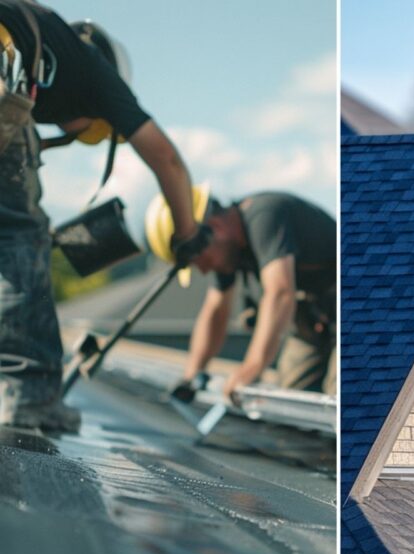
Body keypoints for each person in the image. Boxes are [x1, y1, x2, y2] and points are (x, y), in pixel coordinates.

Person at [0, 1, 200, 432]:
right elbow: (167, 159)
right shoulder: (98, 77)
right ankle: (27, 394)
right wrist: (187, 232)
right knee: (19, 234)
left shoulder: (53, 57)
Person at [145, 184, 337, 402]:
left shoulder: (265, 216)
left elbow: (281, 292)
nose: (205, 269)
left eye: (200, 260)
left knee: (338, 398)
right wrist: (191, 375)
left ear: (214, 228)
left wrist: (252, 366)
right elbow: (216, 309)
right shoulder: (228, 250)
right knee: (291, 397)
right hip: (312, 320)